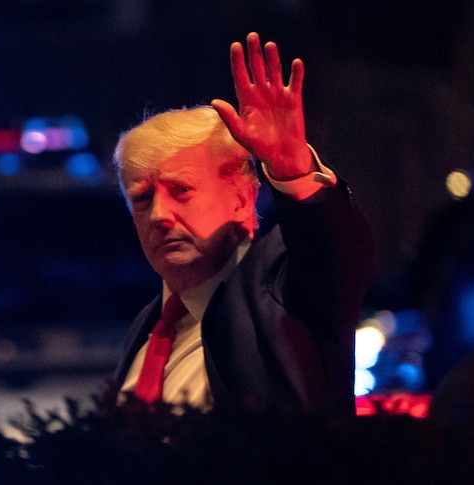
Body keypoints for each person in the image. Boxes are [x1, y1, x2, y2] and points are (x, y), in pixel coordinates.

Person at [112, 32, 376, 416]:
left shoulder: (282, 286)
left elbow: (337, 252)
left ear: (241, 197)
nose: (158, 215)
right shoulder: (147, 326)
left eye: (181, 189)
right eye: (142, 198)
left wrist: (293, 169)